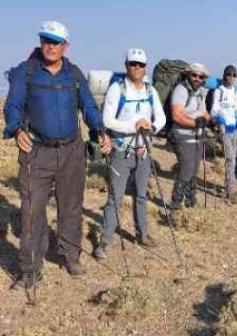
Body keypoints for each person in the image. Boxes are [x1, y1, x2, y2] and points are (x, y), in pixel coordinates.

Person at [3, 21, 112, 285]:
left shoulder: (74, 74)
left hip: (72, 151)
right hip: (36, 151)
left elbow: (88, 106)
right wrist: (17, 131)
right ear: (40, 42)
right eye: (46, 40)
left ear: (66, 46)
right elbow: (12, 106)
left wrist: (100, 130)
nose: (50, 46)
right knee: (32, 210)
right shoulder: (25, 72)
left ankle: (70, 256)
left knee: (72, 206)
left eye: (56, 42)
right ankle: (29, 270)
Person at [93, 48, 166, 259]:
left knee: (141, 195)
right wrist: (135, 126)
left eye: (140, 64)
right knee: (115, 197)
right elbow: (107, 120)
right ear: (126, 65)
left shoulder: (150, 91)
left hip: (143, 151)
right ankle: (105, 240)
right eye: (133, 63)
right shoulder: (118, 89)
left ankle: (142, 234)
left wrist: (150, 127)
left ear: (146, 67)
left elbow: (160, 118)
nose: (137, 67)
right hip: (121, 152)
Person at [169, 63, 211, 210]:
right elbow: (176, 115)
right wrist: (196, 123)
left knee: (194, 170)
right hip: (182, 135)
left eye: (200, 76)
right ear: (188, 75)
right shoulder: (181, 90)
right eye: (194, 75)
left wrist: (207, 121)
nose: (197, 78)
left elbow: (204, 112)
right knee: (186, 168)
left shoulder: (200, 92)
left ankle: (191, 200)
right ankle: (176, 203)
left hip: (197, 136)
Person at [211, 65, 237, 202]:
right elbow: (214, 110)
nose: (231, 78)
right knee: (229, 159)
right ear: (224, 76)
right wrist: (220, 121)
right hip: (224, 130)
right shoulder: (219, 91)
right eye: (228, 75)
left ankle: (231, 187)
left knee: (233, 159)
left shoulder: (236, 92)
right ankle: (230, 191)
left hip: (234, 130)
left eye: (233, 75)